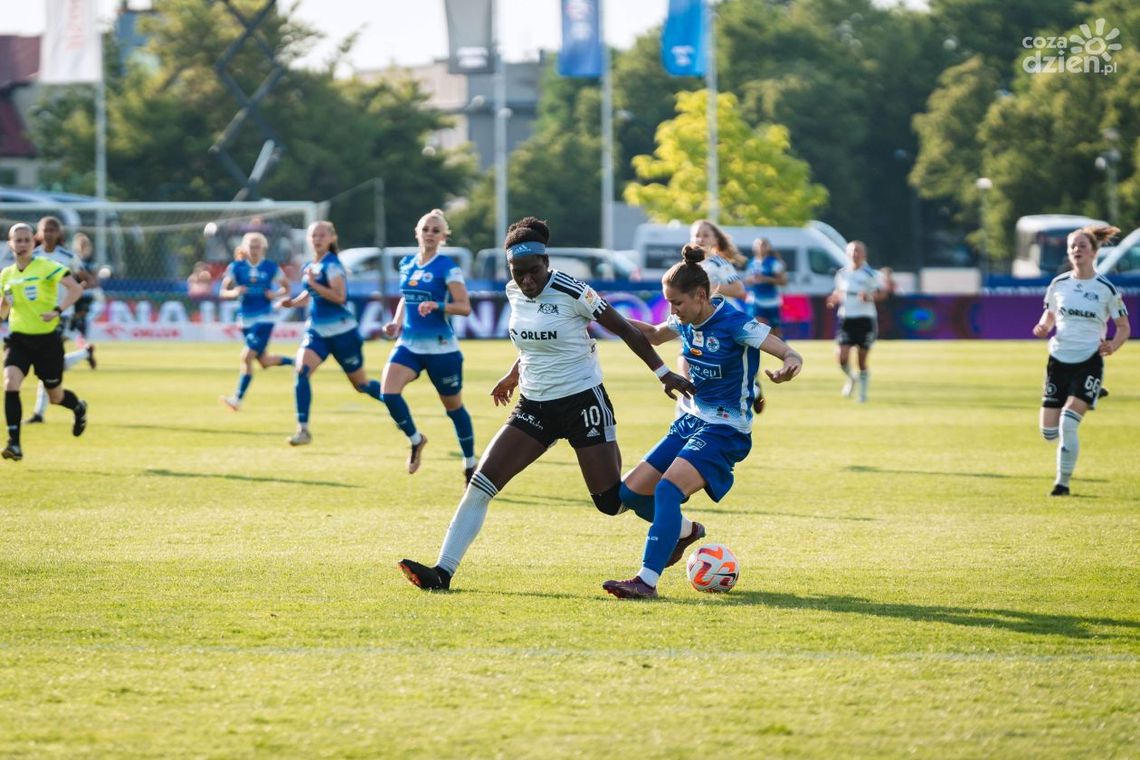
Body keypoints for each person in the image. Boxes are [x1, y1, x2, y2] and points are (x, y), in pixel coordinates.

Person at [398, 216, 695, 591]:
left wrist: (663, 372)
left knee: (611, 501)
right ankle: (442, 572)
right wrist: (513, 373)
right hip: (534, 406)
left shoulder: (575, 292)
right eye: (517, 272)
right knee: (481, 484)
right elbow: (531, 343)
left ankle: (683, 529)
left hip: (582, 402)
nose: (526, 281)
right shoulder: (512, 291)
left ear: (547, 263)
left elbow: (626, 329)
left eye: (533, 271)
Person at [601, 244, 803, 599]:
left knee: (667, 490)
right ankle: (685, 532)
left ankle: (645, 581)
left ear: (700, 295)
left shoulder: (735, 323)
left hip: (726, 429)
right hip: (691, 420)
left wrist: (790, 363)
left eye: (677, 302)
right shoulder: (683, 321)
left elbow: (785, 348)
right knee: (630, 493)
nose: (672, 310)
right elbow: (650, 334)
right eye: (669, 303)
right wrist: (597, 312)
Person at [1033, 224, 1129, 497]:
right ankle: (1094, 390)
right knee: (1049, 433)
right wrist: (1043, 326)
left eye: (1082, 246)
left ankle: (1061, 483)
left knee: (1068, 422)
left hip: (1088, 360)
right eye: (1073, 246)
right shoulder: (1059, 284)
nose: (1077, 250)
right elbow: (1049, 316)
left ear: (1094, 252)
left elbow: (1124, 327)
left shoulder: (1105, 289)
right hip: (1058, 360)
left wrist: (1113, 344)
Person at [380, 209, 475, 480]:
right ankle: (415, 439)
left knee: (453, 408)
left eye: (436, 230)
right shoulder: (407, 264)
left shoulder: (448, 268)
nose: (430, 234)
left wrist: (438, 305)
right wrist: (396, 322)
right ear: (417, 232)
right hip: (408, 343)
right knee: (389, 393)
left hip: (442, 348)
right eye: (426, 229)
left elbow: (464, 307)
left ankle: (470, 462)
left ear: (443, 236)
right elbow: (405, 298)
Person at [279, 220, 387, 446]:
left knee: (362, 385)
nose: (317, 239)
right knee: (302, 371)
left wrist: (313, 285)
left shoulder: (333, 265)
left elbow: (339, 297)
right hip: (317, 331)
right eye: (313, 235)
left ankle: (394, 402)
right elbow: (311, 294)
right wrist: (294, 303)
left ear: (331, 238)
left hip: (343, 333)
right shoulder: (309, 265)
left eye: (321, 235)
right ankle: (303, 429)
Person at [0, 223, 89, 461]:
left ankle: (78, 407)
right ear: (11, 244)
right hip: (18, 339)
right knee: (10, 383)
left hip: (47, 341)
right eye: (17, 240)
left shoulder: (47, 267)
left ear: (33, 243)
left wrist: (57, 310)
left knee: (56, 396)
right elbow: (3, 311)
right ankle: (14, 444)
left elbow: (75, 290)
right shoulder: (6, 275)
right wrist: (5, 304)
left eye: (26, 240)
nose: (22, 244)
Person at [24, 217, 96, 425]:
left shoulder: (67, 256)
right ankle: (84, 353)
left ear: (59, 233)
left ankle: (39, 413)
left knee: (47, 361)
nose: (48, 234)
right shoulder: (32, 255)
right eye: (45, 230)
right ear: (38, 233)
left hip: (62, 314)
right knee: (47, 363)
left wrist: (75, 290)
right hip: (37, 315)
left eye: (52, 230)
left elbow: (88, 279)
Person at [218, 232, 294, 411]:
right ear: (245, 248)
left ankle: (237, 399)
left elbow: (286, 287)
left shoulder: (270, 267)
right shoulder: (236, 267)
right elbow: (223, 291)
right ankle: (298, 362)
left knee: (246, 356)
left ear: (263, 248)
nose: (254, 250)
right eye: (251, 246)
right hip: (245, 319)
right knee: (264, 361)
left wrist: (274, 294)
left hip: (265, 318)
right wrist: (234, 292)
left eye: (257, 246)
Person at [826, 241, 887, 403]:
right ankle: (852, 378)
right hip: (846, 318)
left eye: (858, 251)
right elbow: (839, 291)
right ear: (847, 254)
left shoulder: (871, 274)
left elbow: (882, 293)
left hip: (865, 320)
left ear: (864, 254)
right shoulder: (842, 273)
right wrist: (834, 298)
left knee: (861, 359)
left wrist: (869, 297)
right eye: (852, 251)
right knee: (842, 357)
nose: (855, 254)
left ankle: (863, 394)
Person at [744, 237, 787, 414]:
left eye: (763, 245)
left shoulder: (774, 263)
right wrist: (751, 281)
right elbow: (747, 280)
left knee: (776, 337)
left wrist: (767, 279)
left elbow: (783, 281)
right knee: (757, 336)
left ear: (768, 247)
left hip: (773, 303)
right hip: (757, 303)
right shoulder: (753, 263)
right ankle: (754, 370)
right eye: (758, 245)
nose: (760, 248)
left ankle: (784, 363)